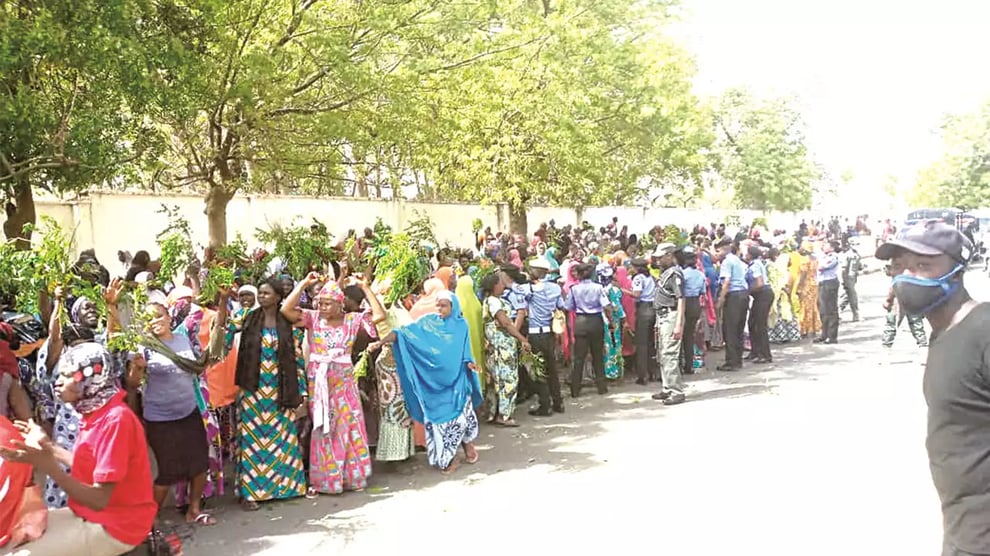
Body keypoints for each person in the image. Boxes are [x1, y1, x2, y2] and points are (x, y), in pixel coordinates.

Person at [874, 221, 985, 556]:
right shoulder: (944, 332)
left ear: (957, 272)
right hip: (960, 526)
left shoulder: (983, 333)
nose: (907, 277)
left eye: (923, 266)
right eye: (899, 267)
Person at [0, 342, 157, 556]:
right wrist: (49, 446)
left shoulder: (115, 420)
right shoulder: (96, 412)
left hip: (117, 526)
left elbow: (99, 499)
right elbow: (91, 468)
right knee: (13, 536)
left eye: (66, 376)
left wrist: (49, 467)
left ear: (89, 379)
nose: (58, 382)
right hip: (93, 513)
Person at [282, 274, 385, 496]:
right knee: (324, 428)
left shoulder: (352, 320)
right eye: (320, 302)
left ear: (340, 304)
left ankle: (352, 476)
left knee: (349, 425)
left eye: (328, 303)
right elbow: (286, 311)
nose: (322, 307)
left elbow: (379, 315)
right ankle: (327, 480)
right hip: (320, 385)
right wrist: (303, 285)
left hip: (345, 384)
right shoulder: (312, 318)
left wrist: (365, 287)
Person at [368, 291, 483, 474]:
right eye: (438, 305)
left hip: (457, 381)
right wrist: (380, 343)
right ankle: (448, 458)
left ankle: (467, 446)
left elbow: (465, 351)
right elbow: (404, 334)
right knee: (442, 423)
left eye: (444, 305)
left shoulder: (461, 326)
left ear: (453, 307)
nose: (439, 309)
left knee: (462, 416)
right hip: (434, 382)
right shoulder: (428, 322)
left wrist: (470, 365)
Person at [229, 278, 308, 510]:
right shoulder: (247, 317)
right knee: (253, 442)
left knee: (283, 438)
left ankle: (285, 488)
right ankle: (250, 493)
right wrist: (224, 302)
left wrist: (302, 392)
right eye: (260, 293)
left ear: (277, 297)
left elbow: (296, 359)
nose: (262, 297)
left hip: (281, 389)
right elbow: (224, 328)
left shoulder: (288, 322)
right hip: (253, 390)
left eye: (266, 293)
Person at [480, 272, 529, 427]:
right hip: (502, 347)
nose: (503, 285)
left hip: (494, 346)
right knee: (508, 380)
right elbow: (506, 324)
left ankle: (493, 413)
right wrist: (522, 339)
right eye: (501, 283)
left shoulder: (489, 301)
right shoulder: (494, 302)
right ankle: (505, 415)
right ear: (494, 286)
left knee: (495, 381)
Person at [563, 263, 613, 397]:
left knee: (579, 357)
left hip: (581, 321)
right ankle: (602, 386)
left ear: (578, 274)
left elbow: (568, 307)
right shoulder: (598, 288)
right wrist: (611, 322)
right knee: (598, 355)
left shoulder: (574, 289)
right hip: (596, 321)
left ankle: (575, 389)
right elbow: (606, 306)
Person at [524, 258, 565, 417]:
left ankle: (545, 405)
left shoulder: (529, 289)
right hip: (550, 332)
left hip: (535, 332)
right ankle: (558, 402)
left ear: (535, 271)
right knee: (552, 368)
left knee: (539, 369)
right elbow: (561, 306)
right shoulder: (555, 288)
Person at [650, 244, 685, 405]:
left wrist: (678, 324)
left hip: (670, 316)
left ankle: (676, 391)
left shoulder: (674, 274)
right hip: (662, 316)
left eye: (660, 257)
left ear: (670, 255)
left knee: (670, 354)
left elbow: (680, 299)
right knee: (662, 353)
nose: (657, 260)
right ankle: (667, 387)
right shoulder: (666, 273)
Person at [715, 238, 749, 371]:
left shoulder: (726, 262)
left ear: (723, 249)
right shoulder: (737, 260)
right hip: (743, 294)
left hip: (733, 296)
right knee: (739, 329)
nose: (716, 253)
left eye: (717, 250)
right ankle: (737, 359)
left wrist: (721, 299)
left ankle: (731, 362)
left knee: (730, 329)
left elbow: (726, 282)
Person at [621, 258, 657, 385]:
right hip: (652, 308)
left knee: (641, 344)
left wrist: (622, 290)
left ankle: (642, 375)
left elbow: (636, 294)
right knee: (651, 342)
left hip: (643, 309)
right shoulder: (650, 277)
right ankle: (653, 372)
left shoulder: (638, 278)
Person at [880, 263, 928, 351]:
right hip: (914, 298)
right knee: (917, 326)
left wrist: (888, 301)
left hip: (899, 300)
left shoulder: (898, 268)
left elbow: (894, 287)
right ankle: (923, 350)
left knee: (891, 325)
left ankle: (885, 351)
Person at [678, 247, 705, 375]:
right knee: (690, 335)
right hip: (696, 303)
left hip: (685, 303)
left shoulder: (683, 274)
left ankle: (680, 364)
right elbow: (702, 291)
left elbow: (679, 291)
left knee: (680, 334)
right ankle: (689, 365)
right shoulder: (700, 274)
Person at [744, 245, 773, 363]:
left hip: (763, 294)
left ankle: (765, 354)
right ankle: (755, 351)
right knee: (752, 322)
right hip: (760, 296)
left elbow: (759, 283)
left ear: (750, 255)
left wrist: (748, 291)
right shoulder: (755, 264)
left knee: (760, 325)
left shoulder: (755, 265)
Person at [597, 263, 625, 381]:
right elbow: (616, 306)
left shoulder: (598, 288)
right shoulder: (613, 289)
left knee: (605, 345)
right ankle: (614, 370)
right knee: (615, 344)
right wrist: (623, 317)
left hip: (600, 319)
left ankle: (606, 370)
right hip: (613, 320)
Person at [814, 241, 841, 344]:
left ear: (831, 248)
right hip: (822, 283)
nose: (823, 247)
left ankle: (832, 336)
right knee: (823, 309)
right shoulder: (823, 256)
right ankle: (824, 334)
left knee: (831, 310)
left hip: (829, 283)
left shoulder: (833, 257)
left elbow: (822, 267)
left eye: (826, 246)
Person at [839, 241, 862, 322]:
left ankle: (838, 313)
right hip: (848, 279)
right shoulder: (847, 255)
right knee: (852, 297)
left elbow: (859, 266)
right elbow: (843, 268)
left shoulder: (856, 254)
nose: (857, 245)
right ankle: (856, 314)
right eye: (855, 244)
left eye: (858, 244)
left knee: (846, 297)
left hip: (853, 278)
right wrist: (843, 280)